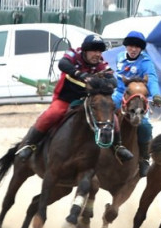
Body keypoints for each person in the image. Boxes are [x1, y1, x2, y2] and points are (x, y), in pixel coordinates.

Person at [15, 34, 134, 162]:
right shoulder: (74, 54)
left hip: (89, 101)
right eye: (94, 50)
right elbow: (62, 64)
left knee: (112, 117)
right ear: (85, 51)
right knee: (52, 114)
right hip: (66, 98)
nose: (97, 54)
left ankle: (117, 146)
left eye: (99, 51)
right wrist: (80, 74)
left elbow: (113, 80)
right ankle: (29, 145)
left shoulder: (101, 64)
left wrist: (103, 82)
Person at [113, 31, 161, 177]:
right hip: (120, 93)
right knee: (104, 114)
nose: (133, 49)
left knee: (145, 125)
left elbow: (152, 79)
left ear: (141, 49)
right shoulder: (119, 58)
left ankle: (144, 158)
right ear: (126, 46)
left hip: (138, 97)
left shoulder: (146, 62)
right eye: (130, 46)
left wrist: (156, 95)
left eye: (137, 47)